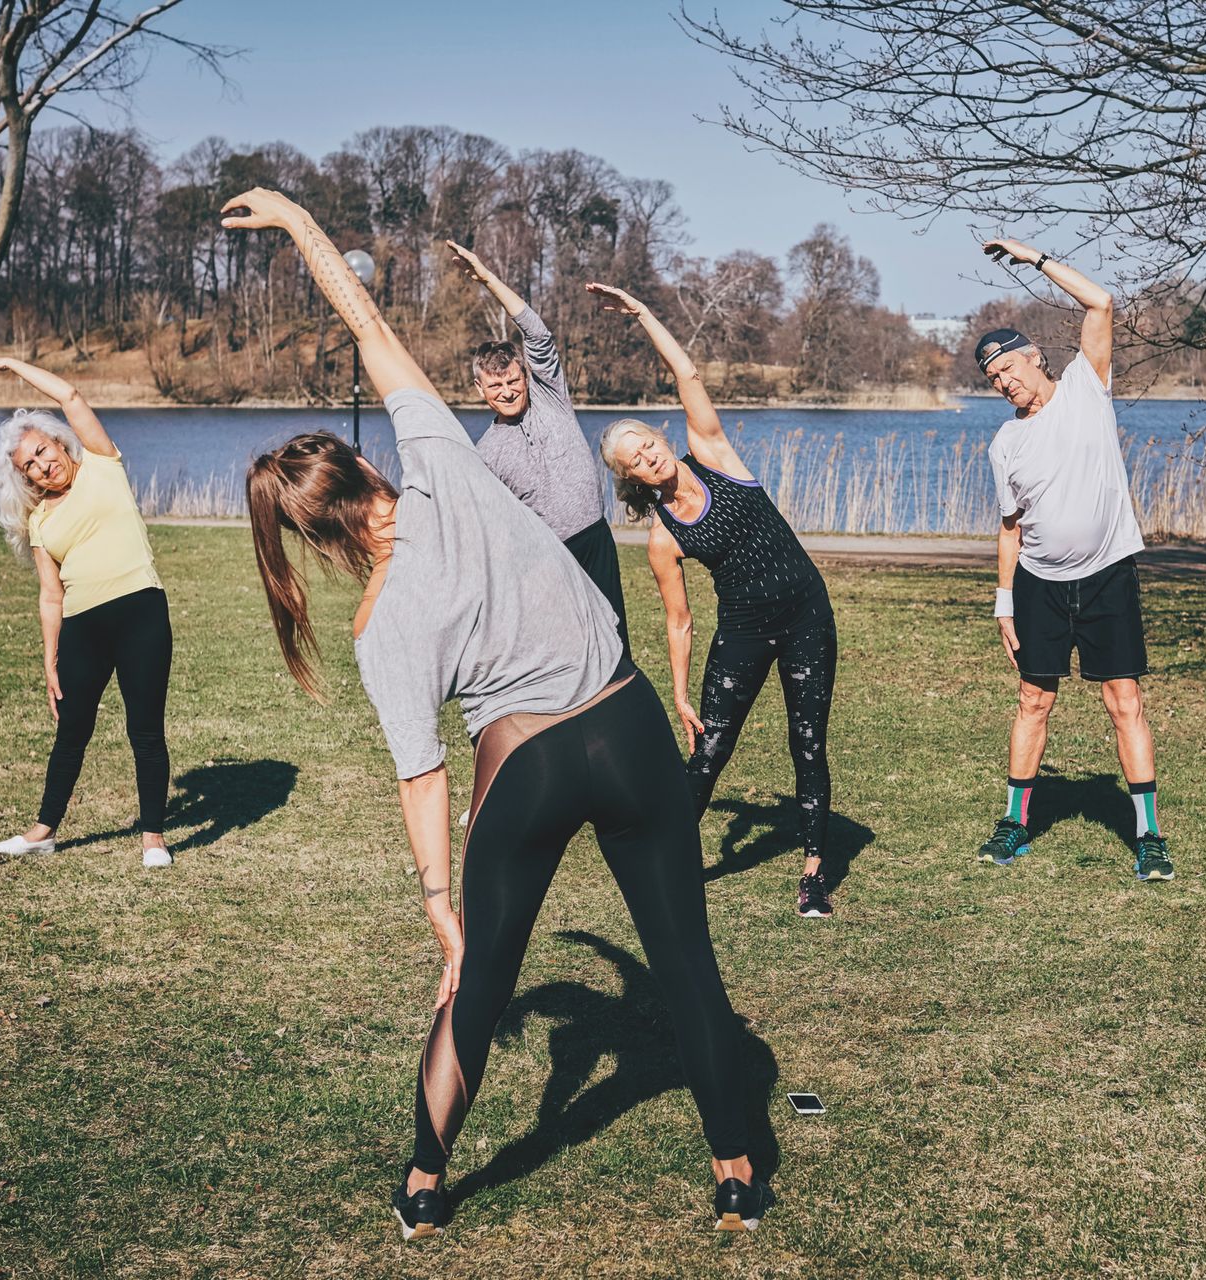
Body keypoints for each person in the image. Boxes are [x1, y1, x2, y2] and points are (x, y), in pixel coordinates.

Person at [221, 187, 763, 1239]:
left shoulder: (380, 624)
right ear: (364, 464)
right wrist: (295, 220)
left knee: (473, 988)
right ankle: (735, 1168)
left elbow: (422, 776)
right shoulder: (441, 459)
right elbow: (367, 326)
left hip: (526, 772)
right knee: (687, 962)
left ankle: (424, 1182)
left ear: (312, 537)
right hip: (628, 724)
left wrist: (440, 910)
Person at [590, 282, 840, 921]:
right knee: (711, 749)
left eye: (648, 442)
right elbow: (680, 619)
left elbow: (688, 372)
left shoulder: (715, 455)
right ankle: (666, 860)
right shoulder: (662, 537)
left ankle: (814, 873)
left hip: (807, 614)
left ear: (661, 437)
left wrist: (643, 313)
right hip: (745, 629)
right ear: (631, 478)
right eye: (635, 460)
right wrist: (678, 693)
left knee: (807, 741)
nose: (649, 456)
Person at [974, 238, 1173, 882]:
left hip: (1109, 575)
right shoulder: (1005, 442)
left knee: (1124, 700)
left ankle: (1148, 834)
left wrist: (1034, 259)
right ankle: (1013, 824)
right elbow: (1010, 528)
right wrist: (1004, 602)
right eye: (992, 379)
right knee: (1034, 700)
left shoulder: (1089, 385)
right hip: (1040, 586)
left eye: (1007, 367)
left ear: (1034, 357)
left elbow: (1101, 301)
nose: (1003, 381)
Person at [0, 355, 173, 869]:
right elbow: (50, 595)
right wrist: (49, 659)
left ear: (59, 441)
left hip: (141, 613)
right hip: (84, 628)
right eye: (30, 466)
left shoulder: (104, 463)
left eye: (43, 451)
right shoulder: (40, 519)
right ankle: (42, 832)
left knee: (144, 729)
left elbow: (72, 397)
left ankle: (153, 838)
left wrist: (12, 364)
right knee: (72, 731)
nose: (43, 466)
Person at [443, 238, 631, 655]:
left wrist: (487, 278)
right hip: (548, 558)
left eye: (513, 381)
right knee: (567, 654)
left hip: (595, 539)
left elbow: (537, 333)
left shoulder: (551, 397)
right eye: (496, 386)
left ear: (525, 377)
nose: (508, 392)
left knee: (615, 646)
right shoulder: (486, 452)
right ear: (479, 389)